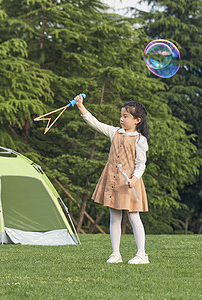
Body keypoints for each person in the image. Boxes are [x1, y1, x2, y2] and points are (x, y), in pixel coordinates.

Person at [74, 94, 150, 264]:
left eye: (126, 116)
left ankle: (142, 254)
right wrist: (80, 106)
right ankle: (116, 254)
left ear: (137, 120)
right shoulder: (114, 132)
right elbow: (95, 123)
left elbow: (141, 164)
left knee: (133, 217)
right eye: (121, 115)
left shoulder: (140, 140)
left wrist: (135, 178)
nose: (121, 119)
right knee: (114, 217)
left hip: (130, 183)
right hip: (113, 181)